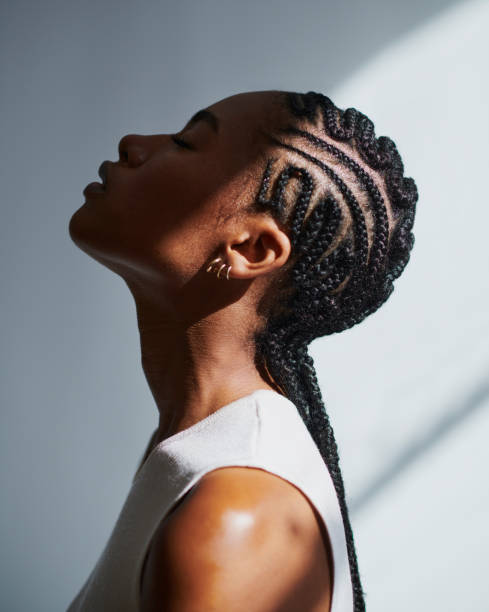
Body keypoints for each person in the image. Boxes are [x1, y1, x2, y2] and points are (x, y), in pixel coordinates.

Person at [66, 89, 418, 612]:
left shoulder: (235, 514)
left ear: (252, 250)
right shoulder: (199, 447)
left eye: (185, 143)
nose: (134, 144)